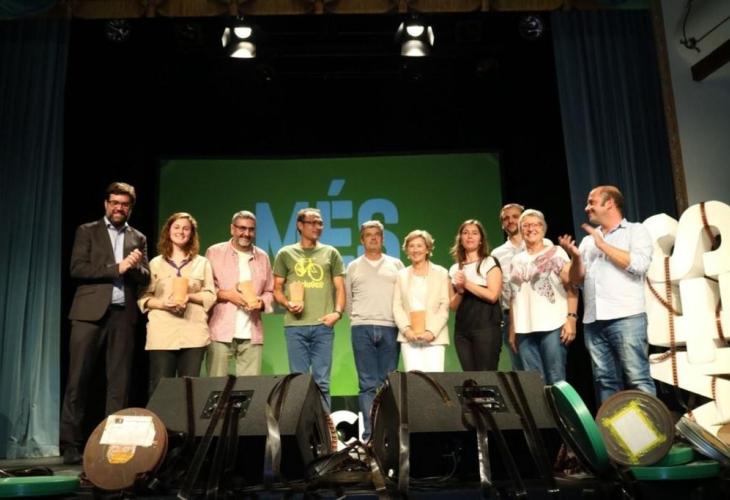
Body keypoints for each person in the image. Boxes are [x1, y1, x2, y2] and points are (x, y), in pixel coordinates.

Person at [60, 182, 150, 465]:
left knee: (119, 384)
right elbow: (77, 268)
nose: (119, 208)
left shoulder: (138, 237)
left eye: (124, 204)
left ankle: (113, 444)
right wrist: (117, 268)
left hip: (122, 315)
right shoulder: (87, 231)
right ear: (106, 204)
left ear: (130, 208)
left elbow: (145, 276)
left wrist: (134, 267)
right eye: (114, 203)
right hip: (88, 314)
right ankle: (70, 444)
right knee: (78, 380)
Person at [559, 185, 655, 403]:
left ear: (609, 203)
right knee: (605, 381)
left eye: (591, 202)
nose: (586, 208)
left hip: (626, 317)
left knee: (637, 378)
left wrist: (602, 245)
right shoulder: (587, 241)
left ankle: (650, 425)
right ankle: (611, 426)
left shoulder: (635, 231)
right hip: (594, 322)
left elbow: (639, 265)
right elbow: (576, 280)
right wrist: (575, 257)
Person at [273, 208, 345, 410]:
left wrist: (337, 313)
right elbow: (277, 289)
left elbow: (340, 288)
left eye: (320, 223)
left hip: (323, 326)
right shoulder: (285, 254)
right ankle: (302, 427)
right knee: (298, 383)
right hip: (295, 328)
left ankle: (324, 427)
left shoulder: (330, 253)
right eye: (312, 222)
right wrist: (287, 304)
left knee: (322, 383)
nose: (317, 227)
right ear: (300, 225)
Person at [138, 212, 215, 396]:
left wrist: (190, 297)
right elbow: (144, 298)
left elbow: (211, 295)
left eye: (186, 228)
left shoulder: (202, 263)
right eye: (177, 227)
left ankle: (186, 418)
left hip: (193, 333)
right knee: (160, 389)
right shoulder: (155, 263)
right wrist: (163, 304)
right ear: (168, 231)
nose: (181, 232)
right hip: (162, 334)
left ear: (192, 234)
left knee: (190, 391)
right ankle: (159, 417)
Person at [345, 220, 404, 440]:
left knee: (387, 383)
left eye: (377, 234)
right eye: (368, 234)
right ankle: (370, 435)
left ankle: (388, 434)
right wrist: (358, 318)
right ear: (362, 240)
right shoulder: (353, 266)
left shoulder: (396, 264)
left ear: (382, 238)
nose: (373, 238)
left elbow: (403, 295)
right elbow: (348, 298)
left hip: (390, 327)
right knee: (367, 384)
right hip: (361, 328)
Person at [508, 209, 577, 385]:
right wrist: (513, 329)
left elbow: (571, 286)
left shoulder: (556, 252)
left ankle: (559, 406)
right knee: (534, 382)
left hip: (553, 324)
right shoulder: (516, 260)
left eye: (536, 225)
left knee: (556, 378)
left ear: (543, 228)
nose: (531, 229)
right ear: (520, 230)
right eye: (526, 225)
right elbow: (513, 297)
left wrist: (571, 318)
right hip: (524, 329)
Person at [205, 211, 274, 376]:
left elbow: (269, 291)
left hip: (252, 333)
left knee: (249, 388)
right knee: (216, 386)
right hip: (220, 331)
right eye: (242, 228)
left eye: (251, 229)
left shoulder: (262, 257)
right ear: (232, 229)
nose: (246, 233)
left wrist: (261, 302)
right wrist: (226, 295)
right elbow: (205, 288)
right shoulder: (214, 252)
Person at [448, 219, 502, 371]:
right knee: (470, 377)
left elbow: (493, 295)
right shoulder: (454, 269)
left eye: (474, 233)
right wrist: (460, 291)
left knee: (486, 375)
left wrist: (466, 283)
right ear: (460, 239)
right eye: (465, 233)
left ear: (481, 239)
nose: (469, 236)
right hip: (462, 331)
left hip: (486, 328)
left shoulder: (489, 262)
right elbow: (453, 306)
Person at [392, 230, 450, 372]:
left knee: (434, 380)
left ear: (427, 249)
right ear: (407, 250)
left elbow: (444, 305)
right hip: (409, 338)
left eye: (419, 246)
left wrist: (432, 331)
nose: (415, 250)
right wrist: (406, 330)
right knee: (414, 380)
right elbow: (397, 306)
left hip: (434, 338)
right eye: (411, 246)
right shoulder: (401, 275)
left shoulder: (441, 273)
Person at [491, 203, 526, 370]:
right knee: (520, 370)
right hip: (509, 316)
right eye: (506, 218)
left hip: (539, 313)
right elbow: (497, 288)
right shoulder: (497, 254)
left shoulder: (540, 245)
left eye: (515, 216)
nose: (510, 221)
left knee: (549, 370)